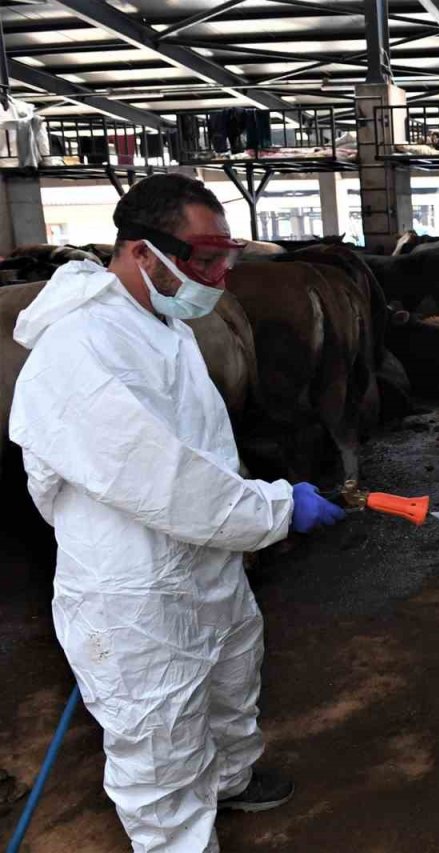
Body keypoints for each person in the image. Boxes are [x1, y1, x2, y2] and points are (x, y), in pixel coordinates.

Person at [9, 174, 347, 852]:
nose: (221, 274)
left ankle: (229, 777)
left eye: (227, 256)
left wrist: (248, 508)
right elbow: (163, 477)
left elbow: (199, 450)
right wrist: (275, 507)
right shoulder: (81, 348)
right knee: (160, 737)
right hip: (135, 587)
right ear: (140, 251)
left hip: (203, 557)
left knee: (229, 678)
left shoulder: (160, 323)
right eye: (204, 258)